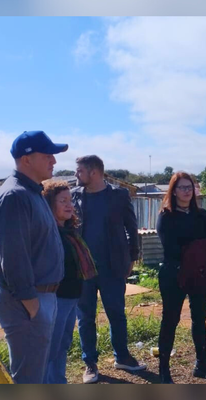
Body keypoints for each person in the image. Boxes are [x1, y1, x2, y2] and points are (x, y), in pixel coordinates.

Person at [0, 130, 68, 384]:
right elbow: (13, 258)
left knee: (36, 374)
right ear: (26, 160)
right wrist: (32, 305)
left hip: (41, 297)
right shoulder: (14, 196)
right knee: (28, 380)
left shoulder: (32, 192)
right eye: (47, 155)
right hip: (26, 301)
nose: (53, 161)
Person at [72, 155, 145, 384]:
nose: (76, 175)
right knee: (85, 317)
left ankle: (122, 357)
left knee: (116, 314)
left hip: (112, 267)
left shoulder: (118, 195)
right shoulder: (74, 196)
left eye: (79, 171)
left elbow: (131, 226)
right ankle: (90, 363)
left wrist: (133, 256)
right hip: (83, 269)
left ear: (94, 172)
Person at [156, 171, 206, 384]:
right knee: (170, 320)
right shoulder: (166, 216)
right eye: (182, 187)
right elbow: (172, 248)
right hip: (173, 275)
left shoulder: (201, 215)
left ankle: (202, 364)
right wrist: (195, 253)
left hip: (199, 275)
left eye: (189, 187)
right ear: (173, 191)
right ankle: (164, 370)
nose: (186, 191)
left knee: (199, 318)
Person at [42, 180, 98, 384]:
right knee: (51, 347)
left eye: (70, 200)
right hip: (56, 298)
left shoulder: (69, 231)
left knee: (63, 344)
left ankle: (58, 382)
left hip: (72, 297)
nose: (69, 205)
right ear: (49, 204)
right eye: (62, 201)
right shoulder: (48, 232)